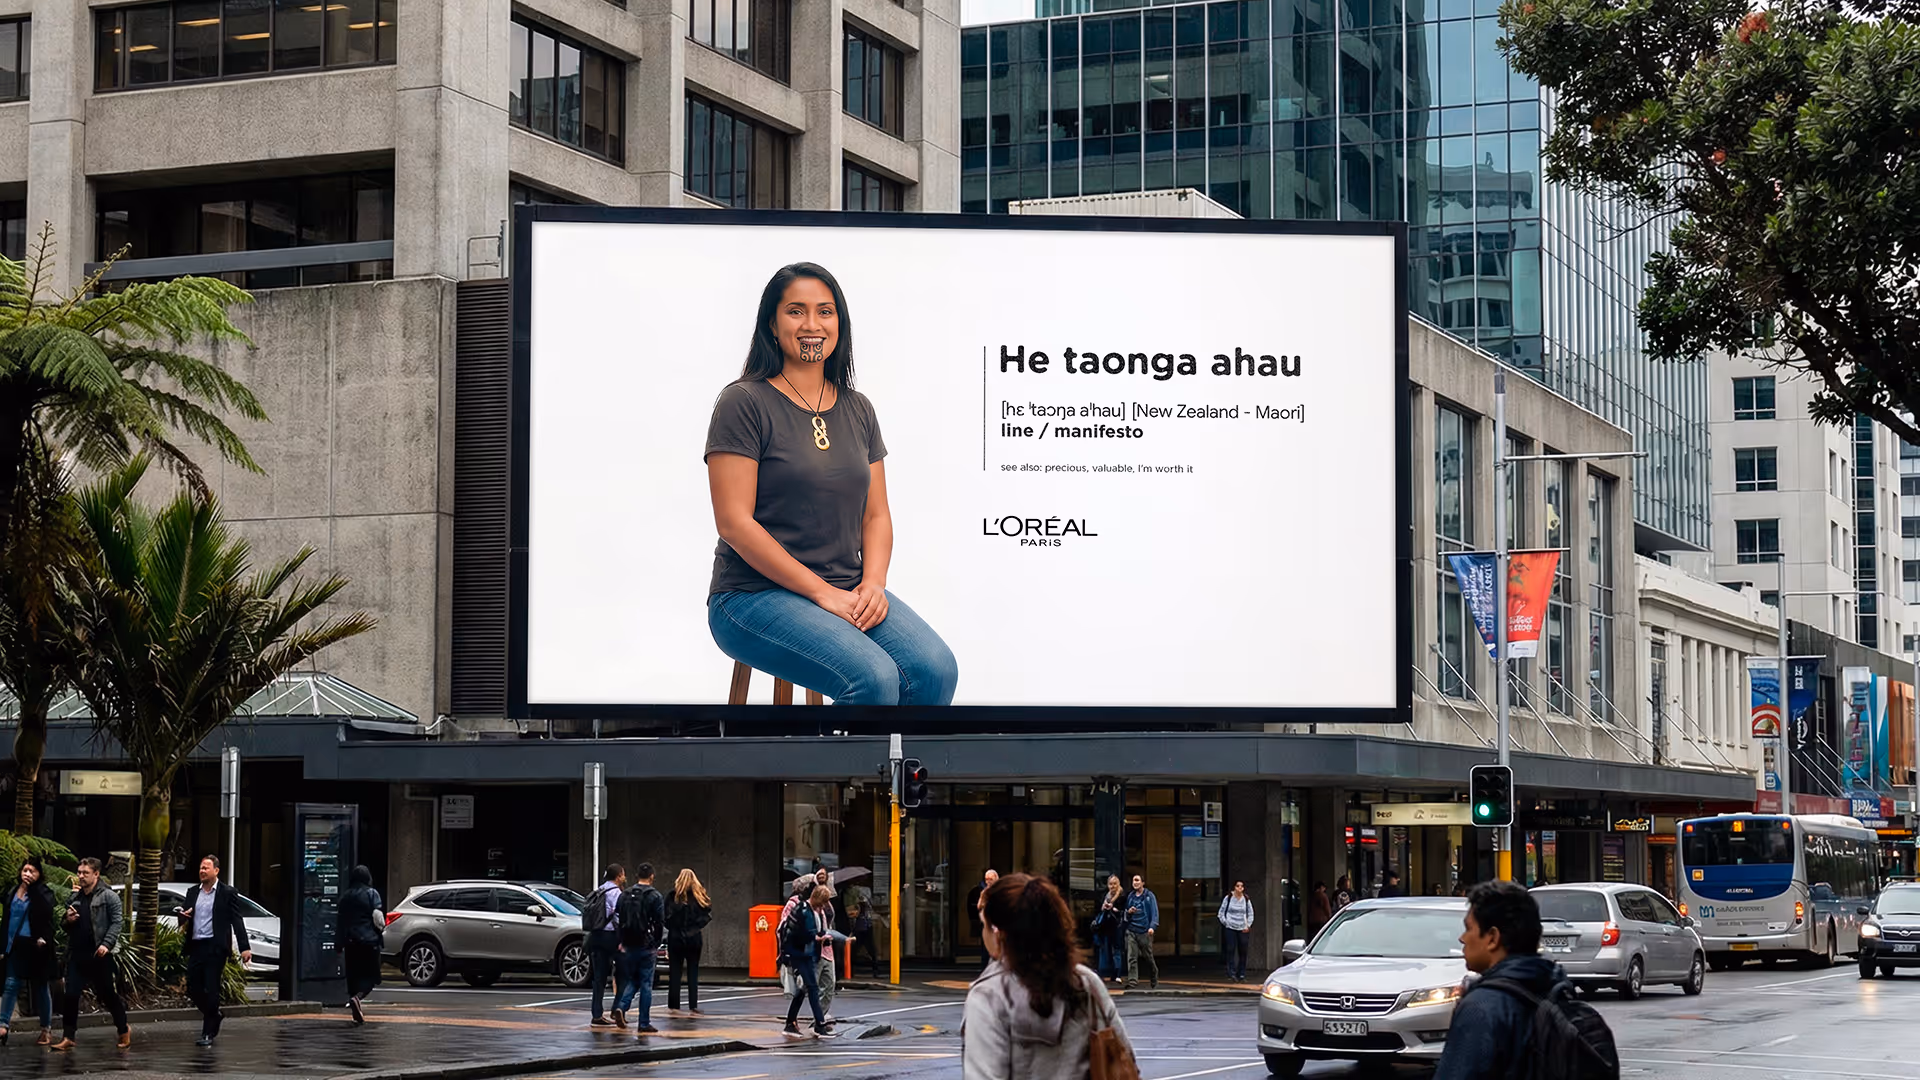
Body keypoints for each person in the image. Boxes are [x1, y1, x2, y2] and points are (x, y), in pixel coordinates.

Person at [705, 262, 959, 708]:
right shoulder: (744, 402)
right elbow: (734, 523)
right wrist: (822, 594)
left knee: (934, 671)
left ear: (839, 323)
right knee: (873, 679)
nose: (812, 324)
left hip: (847, 586)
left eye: (825, 311)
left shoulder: (858, 409)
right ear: (772, 324)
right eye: (795, 311)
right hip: (752, 596)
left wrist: (873, 584)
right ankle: (837, 759)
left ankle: (889, 759)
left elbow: (876, 515)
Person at [961, 873, 1131, 1080]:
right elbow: (1124, 1056)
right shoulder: (1087, 982)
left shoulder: (988, 996)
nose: (984, 933)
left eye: (985, 925)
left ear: (999, 933)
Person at [1433, 880, 1569, 1080]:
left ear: (1492, 938)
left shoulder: (1482, 1007)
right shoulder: (1559, 990)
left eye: (1468, 928)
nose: (1462, 938)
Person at [51, 857, 128, 1052]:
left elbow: (117, 923)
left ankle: (123, 1029)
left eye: (85, 873)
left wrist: (106, 944)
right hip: (77, 954)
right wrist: (68, 920)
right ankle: (68, 1036)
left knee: (107, 995)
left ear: (96, 874)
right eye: (79, 872)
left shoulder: (109, 896)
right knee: (71, 995)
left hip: (98, 954)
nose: (81, 876)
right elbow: (65, 925)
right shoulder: (75, 898)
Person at [175, 855, 250, 1047]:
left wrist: (244, 947)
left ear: (216, 871)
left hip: (215, 947)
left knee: (212, 988)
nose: (202, 871)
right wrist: (183, 916)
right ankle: (214, 1014)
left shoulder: (227, 893)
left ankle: (207, 1032)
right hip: (196, 945)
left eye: (206, 868)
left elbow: (237, 919)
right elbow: (184, 918)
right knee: (193, 987)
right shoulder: (193, 892)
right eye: (201, 868)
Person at [0, 856, 55, 1045]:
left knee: (40, 987)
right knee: (10, 984)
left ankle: (46, 1028)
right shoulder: (13, 891)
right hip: (15, 945)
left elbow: (47, 914)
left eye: (32, 871)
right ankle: (3, 1025)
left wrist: (33, 890)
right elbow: (7, 920)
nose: (28, 874)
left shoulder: (44, 892)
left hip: (36, 946)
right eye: (25, 870)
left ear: (39, 874)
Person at [614, 863, 665, 1033]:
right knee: (646, 984)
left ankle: (621, 1006)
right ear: (652, 876)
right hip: (646, 944)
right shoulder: (655, 896)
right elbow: (659, 922)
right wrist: (656, 942)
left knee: (633, 979)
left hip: (629, 943)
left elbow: (619, 918)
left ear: (637, 876)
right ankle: (643, 1023)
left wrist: (622, 941)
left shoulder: (625, 894)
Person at [780, 885, 835, 1039]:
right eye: (823, 902)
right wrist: (818, 938)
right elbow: (805, 934)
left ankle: (791, 1023)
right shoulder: (805, 910)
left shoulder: (808, 910)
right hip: (799, 955)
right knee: (812, 988)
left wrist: (819, 937)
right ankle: (819, 1026)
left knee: (804, 990)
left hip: (806, 955)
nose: (823, 906)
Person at [336, 865, 385, 1025]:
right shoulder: (372, 894)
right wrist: (381, 929)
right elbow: (378, 918)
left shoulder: (345, 897)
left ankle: (354, 1001)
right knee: (371, 977)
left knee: (353, 976)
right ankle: (358, 998)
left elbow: (340, 922)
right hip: (369, 942)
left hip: (350, 942)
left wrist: (339, 943)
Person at [665, 868, 713, 1014]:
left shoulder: (672, 896)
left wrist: (674, 928)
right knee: (693, 971)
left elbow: (666, 918)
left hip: (675, 937)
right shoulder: (698, 896)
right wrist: (694, 928)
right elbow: (706, 916)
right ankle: (693, 1004)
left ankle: (674, 1004)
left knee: (675, 972)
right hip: (694, 938)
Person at [585, 864, 626, 1027]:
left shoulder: (598, 891)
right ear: (618, 876)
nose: (624, 877)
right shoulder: (616, 893)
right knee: (622, 973)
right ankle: (617, 1009)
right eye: (623, 874)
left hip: (596, 936)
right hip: (611, 936)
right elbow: (618, 917)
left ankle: (596, 1014)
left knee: (599, 978)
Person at [1121, 873, 1159, 991]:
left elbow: (1154, 912)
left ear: (1143, 883)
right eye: (1134, 880)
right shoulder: (1131, 896)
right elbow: (1126, 912)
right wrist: (1129, 912)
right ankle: (1132, 981)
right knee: (1131, 956)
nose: (1135, 883)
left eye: (1137, 880)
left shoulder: (1149, 896)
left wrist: (1152, 927)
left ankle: (1154, 974)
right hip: (1132, 930)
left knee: (1148, 957)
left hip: (1144, 931)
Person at [1216, 880, 1255, 983]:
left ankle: (1241, 973)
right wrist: (1226, 923)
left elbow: (1250, 913)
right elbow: (1221, 912)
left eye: (1242, 886)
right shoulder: (1228, 898)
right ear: (1234, 887)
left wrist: (1248, 925)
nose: (1240, 888)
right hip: (1231, 927)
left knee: (1243, 951)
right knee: (1230, 949)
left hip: (1242, 928)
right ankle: (1231, 973)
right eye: (1238, 886)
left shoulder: (1246, 899)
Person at [1090, 875, 1126, 982]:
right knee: (1106, 950)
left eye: (1115, 883)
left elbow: (1124, 911)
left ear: (1118, 884)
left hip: (1117, 926)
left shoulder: (1122, 896)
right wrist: (1103, 907)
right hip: (1105, 926)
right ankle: (1108, 972)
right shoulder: (1105, 896)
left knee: (1117, 949)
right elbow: (1098, 910)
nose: (1113, 886)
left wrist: (1114, 908)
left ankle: (1118, 973)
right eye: (1110, 884)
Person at [845, 884, 881, 979]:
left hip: (864, 926)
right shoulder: (853, 900)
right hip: (861, 927)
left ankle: (875, 970)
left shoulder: (863, 901)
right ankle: (851, 971)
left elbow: (868, 909)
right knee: (856, 950)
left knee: (869, 950)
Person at [966, 869, 999, 969]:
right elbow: (979, 905)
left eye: (991, 879)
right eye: (986, 879)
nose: (988, 881)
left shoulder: (1000, 890)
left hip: (998, 923)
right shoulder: (983, 891)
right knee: (986, 947)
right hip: (988, 923)